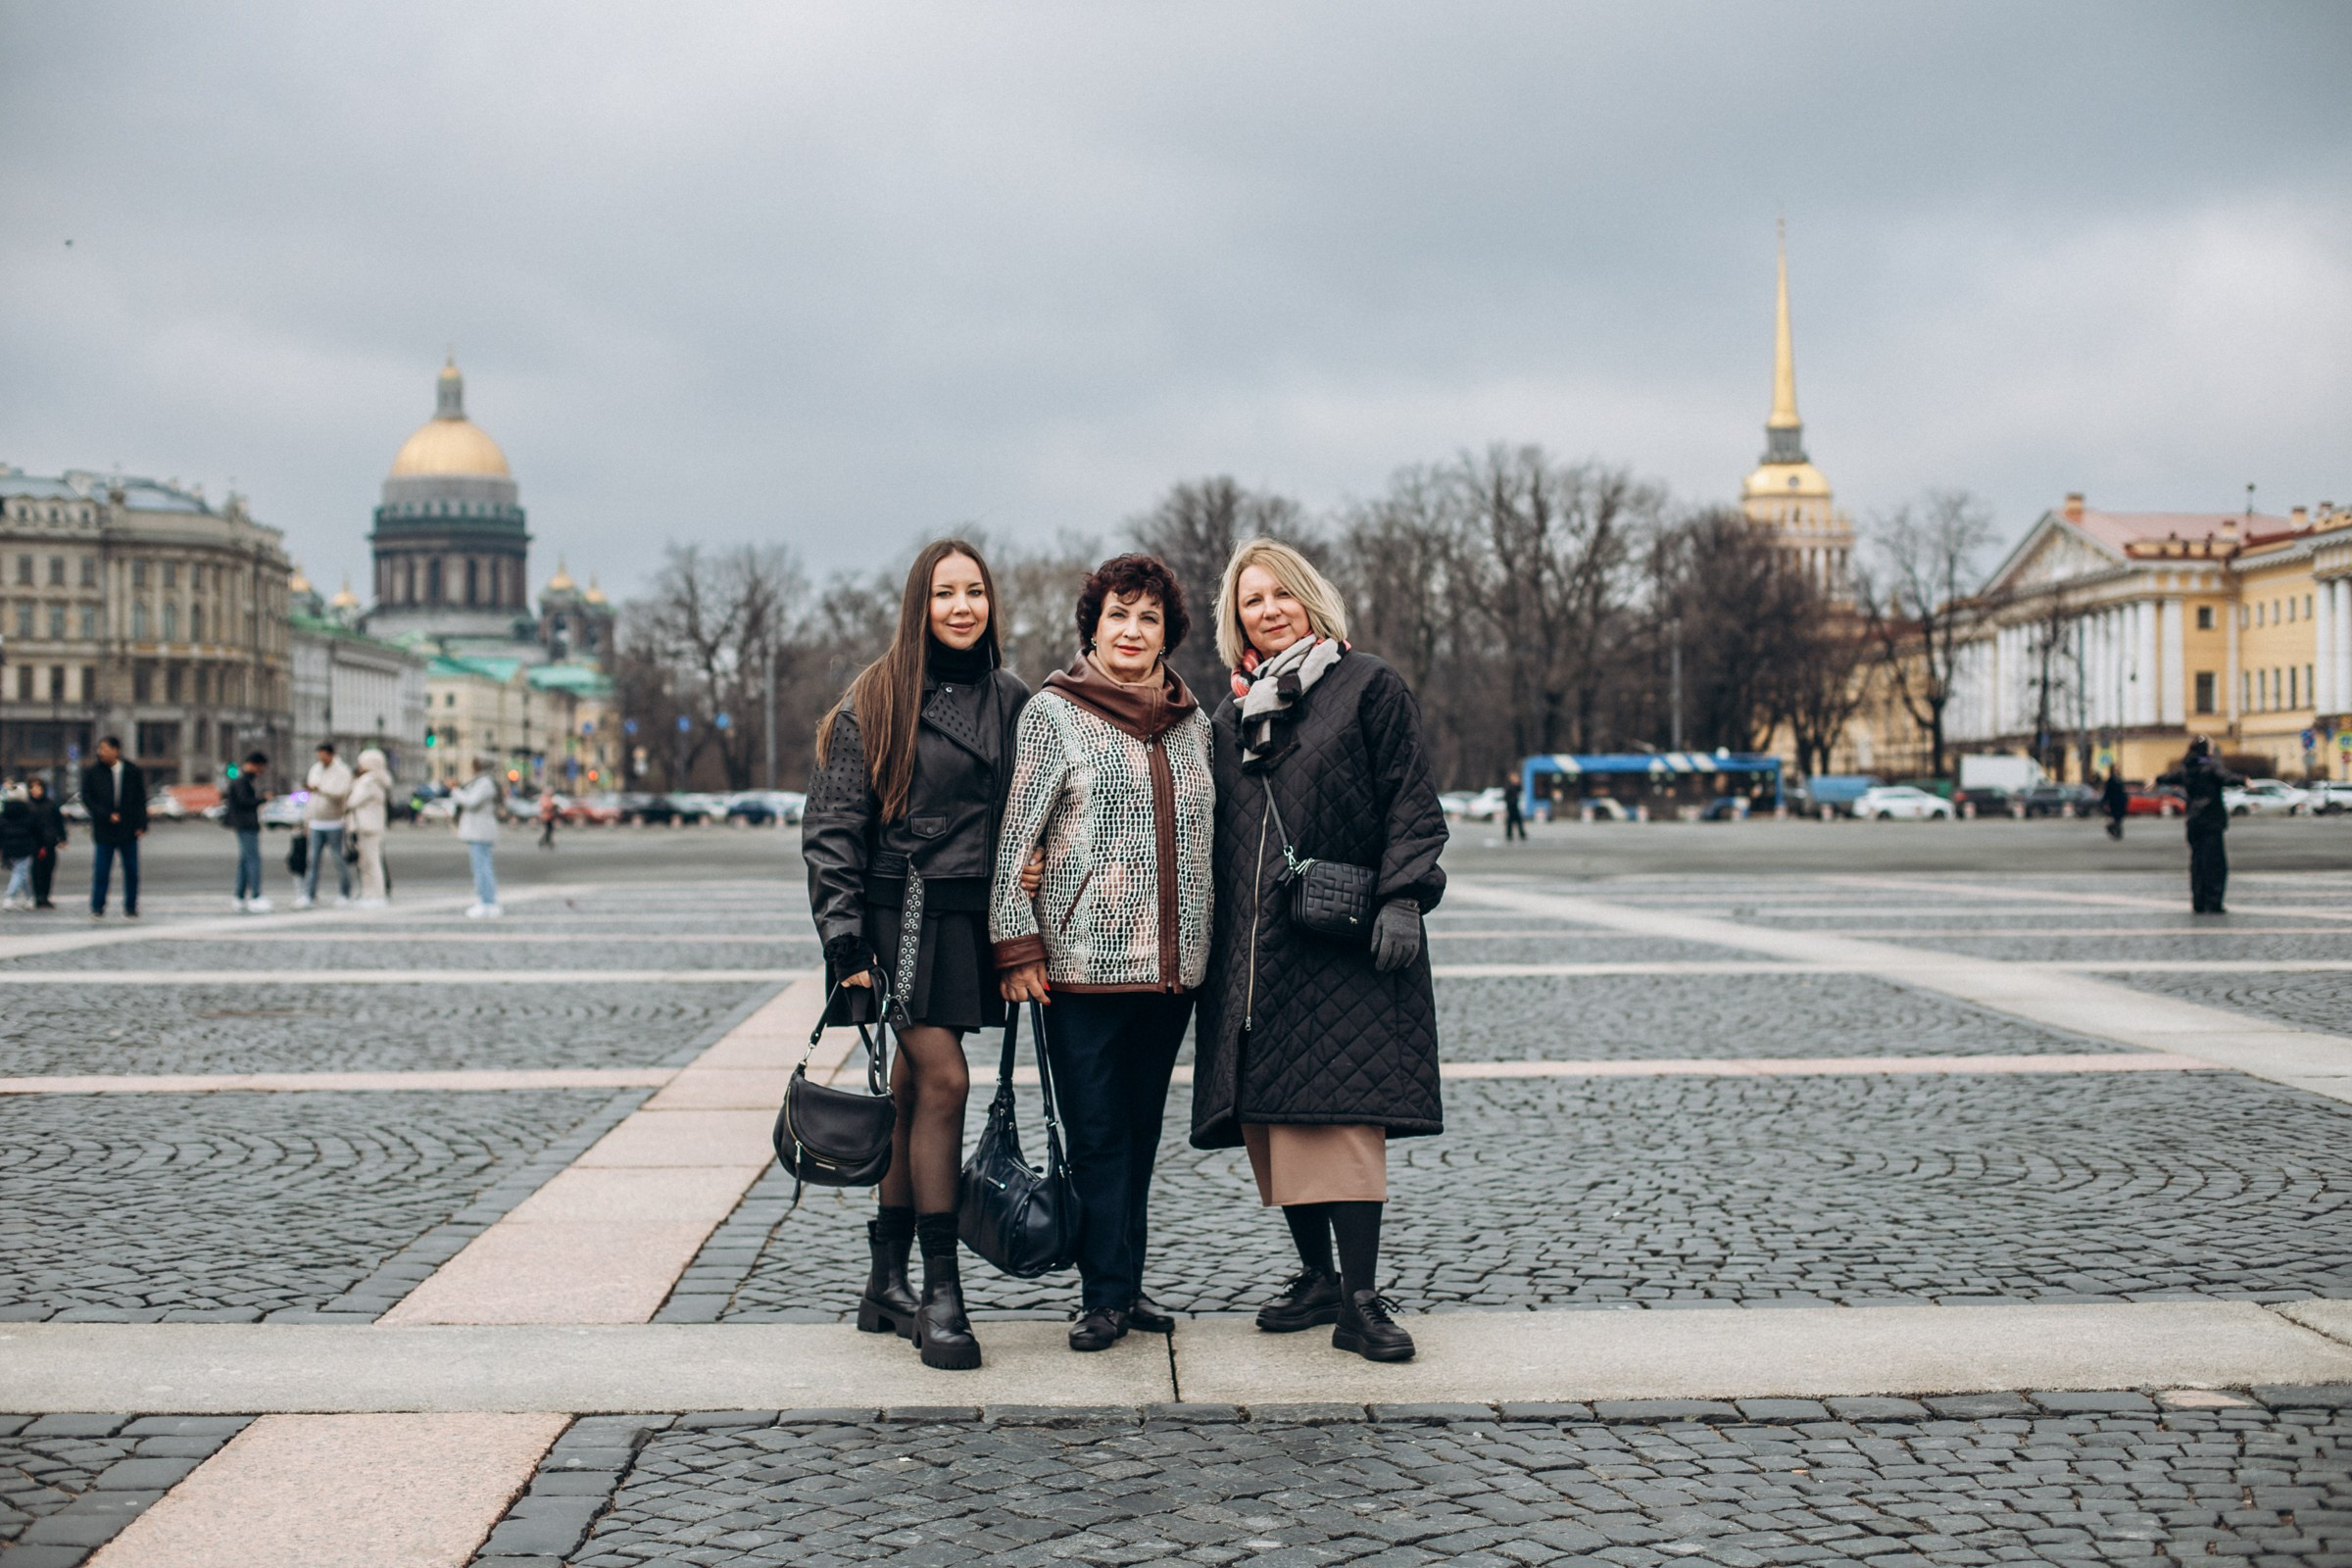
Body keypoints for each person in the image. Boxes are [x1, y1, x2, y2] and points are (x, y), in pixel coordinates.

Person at [1192, 539, 1447, 1364]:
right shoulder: (1232, 715)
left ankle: (1362, 1296)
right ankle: (1317, 1278)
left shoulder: (1366, 684)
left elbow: (1410, 798)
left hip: (1346, 937)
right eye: (1250, 601)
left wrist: (1404, 896)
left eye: (1280, 595)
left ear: (1310, 598)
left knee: (1344, 1118)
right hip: (1258, 947)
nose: (1267, 611)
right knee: (1277, 1116)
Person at [803, 538, 1029, 1373]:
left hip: (977, 918)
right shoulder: (879, 694)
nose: (963, 607)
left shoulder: (1012, 697)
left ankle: (884, 1282)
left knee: (910, 1088)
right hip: (903, 915)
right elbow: (831, 829)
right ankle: (941, 1291)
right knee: (943, 1081)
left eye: (975, 592)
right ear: (919, 605)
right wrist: (845, 940)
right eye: (945, 594)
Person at [992, 554, 1213, 1352]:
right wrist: (1017, 945)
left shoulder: (1196, 723)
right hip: (1079, 970)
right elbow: (1017, 838)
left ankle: (1124, 1278)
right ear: (1094, 625)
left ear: (1168, 634)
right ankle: (1102, 1297)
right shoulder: (1055, 714)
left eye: (1148, 617)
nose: (1132, 630)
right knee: (1094, 1138)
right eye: (1119, 615)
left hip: (1169, 973)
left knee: (1140, 1132)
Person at [2158, 736, 2244, 914]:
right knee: (2215, 863)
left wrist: (2157, 779)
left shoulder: (2187, 767)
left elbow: (2170, 776)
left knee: (2196, 862)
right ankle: (2213, 902)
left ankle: (2198, 901)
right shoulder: (2211, 766)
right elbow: (2226, 777)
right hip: (2211, 820)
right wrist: (2244, 780)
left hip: (2193, 820)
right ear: (2206, 750)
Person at [80, 736, 148, 919]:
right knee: (101, 870)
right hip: (104, 828)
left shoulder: (132, 771)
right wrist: (105, 814)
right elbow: (87, 798)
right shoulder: (93, 772)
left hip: (128, 828)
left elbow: (141, 799)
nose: (100, 752)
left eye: (105, 748)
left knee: (131, 870)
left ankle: (131, 907)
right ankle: (97, 906)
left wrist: (142, 824)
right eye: (99, 749)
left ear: (116, 750)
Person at [296, 742, 355, 909]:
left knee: (338, 859)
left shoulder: (342, 771)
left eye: (322, 754)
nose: (320, 758)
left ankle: (345, 893)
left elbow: (341, 793)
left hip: (334, 821)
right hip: (316, 822)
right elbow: (310, 798)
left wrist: (320, 789)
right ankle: (309, 894)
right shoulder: (315, 769)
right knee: (312, 861)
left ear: (330, 754)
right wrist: (306, 821)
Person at [452, 758, 505, 918]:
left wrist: (455, 790)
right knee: (481, 867)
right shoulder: (483, 782)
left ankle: (487, 901)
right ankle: (486, 900)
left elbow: (471, 802)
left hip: (480, 831)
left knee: (482, 868)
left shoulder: (484, 783)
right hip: (479, 830)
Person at [346, 748, 394, 909]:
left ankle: (376, 894)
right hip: (372, 825)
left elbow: (352, 801)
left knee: (370, 863)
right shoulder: (378, 779)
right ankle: (370, 894)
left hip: (367, 826)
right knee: (368, 862)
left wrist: (353, 783)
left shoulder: (368, 781)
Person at [227, 753, 273, 911]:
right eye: (260, 768)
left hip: (244, 824)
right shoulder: (242, 780)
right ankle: (255, 896)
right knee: (253, 860)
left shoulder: (242, 779)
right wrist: (262, 799)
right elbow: (244, 802)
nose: (261, 772)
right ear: (255, 764)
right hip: (246, 824)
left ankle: (239, 896)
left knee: (245, 861)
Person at [25, 778, 65, 910]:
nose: (35, 791)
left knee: (48, 870)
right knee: (36, 872)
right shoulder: (27, 806)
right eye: (33, 788)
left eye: (38, 788)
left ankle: (46, 896)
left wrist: (62, 837)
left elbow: (59, 822)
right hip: (33, 843)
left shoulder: (51, 804)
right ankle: (38, 897)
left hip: (49, 842)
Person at [0, 785, 35, 910]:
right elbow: (34, 827)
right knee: (20, 871)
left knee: (21, 871)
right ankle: (10, 896)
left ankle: (28, 897)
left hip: (9, 845)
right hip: (25, 844)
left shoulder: (5, 811)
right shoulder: (28, 810)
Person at [2101, 765, 2129, 842]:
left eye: (2117, 769)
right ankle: (2114, 830)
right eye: (2115, 769)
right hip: (2113, 802)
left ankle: (2117, 831)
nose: (2117, 771)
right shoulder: (2110, 780)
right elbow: (2107, 792)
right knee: (2116, 818)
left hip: (2121, 802)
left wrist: (2125, 799)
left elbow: (2123, 791)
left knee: (2120, 818)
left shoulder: (2119, 779)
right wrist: (2104, 802)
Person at [1503, 770, 1527, 842]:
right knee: (1513, 821)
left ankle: (1519, 834)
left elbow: (1520, 790)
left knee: (1517, 821)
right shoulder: (1509, 787)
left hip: (1515, 806)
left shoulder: (1516, 786)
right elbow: (1506, 797)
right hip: (1511, 806)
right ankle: (1512, 834)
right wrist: (1511, 802)